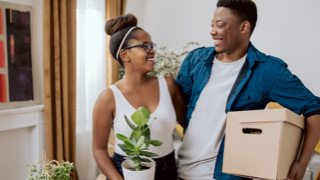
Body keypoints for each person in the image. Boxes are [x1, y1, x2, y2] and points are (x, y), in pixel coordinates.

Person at [176, 0, 320, 180]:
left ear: (244, 27)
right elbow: (179, 106)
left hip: (227, 176)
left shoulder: (269, 71)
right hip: (182, 171)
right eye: (212, 25)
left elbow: (314, 109)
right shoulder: (195, 59)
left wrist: (302, 162)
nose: (212, 31)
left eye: (220, 25)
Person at [92, 13, 186, 180]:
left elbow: (190, 127)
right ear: (125, 55)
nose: (152, 51)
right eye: (144, 46)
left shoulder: (168, 85)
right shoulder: (108, 98)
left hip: (167, 170)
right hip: (125, 171)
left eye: (152, 45)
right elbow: (99, 149)